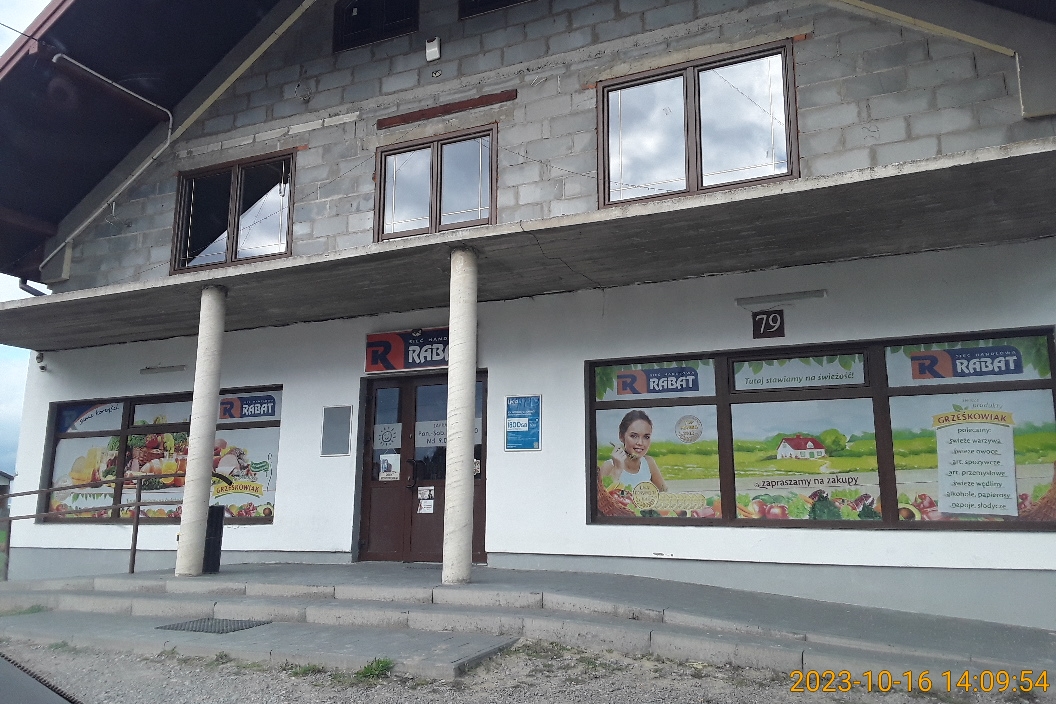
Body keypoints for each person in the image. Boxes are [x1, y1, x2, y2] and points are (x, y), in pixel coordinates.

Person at [600, 410, 667, 491]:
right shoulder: (609, 466)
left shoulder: (649, 462)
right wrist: (617, 469)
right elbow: (602, 496)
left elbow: (664, 491)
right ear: (621, 436)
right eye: (634, 436)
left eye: (646, 437)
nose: (640, 443)